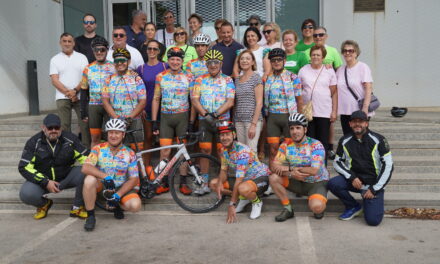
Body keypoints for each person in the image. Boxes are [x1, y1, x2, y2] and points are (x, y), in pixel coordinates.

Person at [327, 110, 393, 226]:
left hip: (373, 184)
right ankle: (354, 206)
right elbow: (337, 162)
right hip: (355, 181)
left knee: (373, 221)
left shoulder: (379, 140)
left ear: (366, 123)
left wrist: (374, 189)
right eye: (354, 121)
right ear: (350, 124)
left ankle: (371, 203)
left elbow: (388, 166)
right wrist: (351, 177)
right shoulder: (344, 140)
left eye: (361, 121)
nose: (357, 124)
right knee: (333, 183)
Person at [18, 114, 89, 220]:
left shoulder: (71, 139)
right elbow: (24, 167)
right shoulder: (33, 142)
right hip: (43, 181)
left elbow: (88, 159)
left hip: (66, 178)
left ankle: (77, 207)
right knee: (26, 194)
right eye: (50, 128)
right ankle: (43, 205)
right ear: (43, 128)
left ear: (61, 128)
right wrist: (45, 182)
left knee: (87, 172)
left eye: (57, 128)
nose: (53, 130)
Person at [82, 119, 142, 231]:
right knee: (89, 179)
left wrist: (118, 195)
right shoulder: (98, 148)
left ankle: (116, 204)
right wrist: (105, 176)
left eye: (117, 132)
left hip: (120, 187)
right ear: (107, 133)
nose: (113, 136)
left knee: (135, 206)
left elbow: (134, 179)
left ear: (123, 134)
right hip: (103, 186)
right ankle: (90, 216)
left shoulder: (130, 153)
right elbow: (86, 167)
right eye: (111, 132)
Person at [269, 113, 329, 221]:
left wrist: (294, 170)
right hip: (295, 180)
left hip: (316, 183)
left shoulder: (315, 145)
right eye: (292, 128)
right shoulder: (285, 145)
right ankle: (288, 209)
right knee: (273, 177)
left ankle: (318, 202)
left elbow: (314, 170)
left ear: (305, 129)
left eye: (298, 128)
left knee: (317, 208)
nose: (295, 131)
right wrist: (291, 172)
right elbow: (274, 166)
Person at [191, 50, 235, 194]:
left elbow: (230, 101)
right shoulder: (199, 79)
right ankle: (203, 182)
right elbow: (195, 99)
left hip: (222, 120)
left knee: (222, 151)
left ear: (221, 64)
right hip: (205, 120)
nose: (213, 65)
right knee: (205, 150)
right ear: (206, 64)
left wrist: (215, 114)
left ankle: (223, 181)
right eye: (210, 63)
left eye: (216, 62)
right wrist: (205, 114)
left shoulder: (228, 80)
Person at [152, 47, 193, 195]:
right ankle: (164, 182)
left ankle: (183, 182)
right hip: (165, 119)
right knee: (165, 152)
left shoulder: (189, 76)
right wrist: (154, 121)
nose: (175, 62)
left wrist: (191, 122)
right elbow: (156, 99)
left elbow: (193, 100)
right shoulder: (160, 76)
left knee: (182, 151)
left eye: (178, 59)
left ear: (182, 61)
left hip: (182, 117)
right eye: (172, 59)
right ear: (167, 60)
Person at [211, 121, 270, 223]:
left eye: (227, 134)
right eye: (222, 135)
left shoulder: (242, 151)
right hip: (244, 180)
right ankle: (244, 197)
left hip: (260, 178)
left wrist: (231, 204)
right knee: (213, 184)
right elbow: (223, 170)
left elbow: (239, 180)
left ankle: (257, 202)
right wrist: (220, 183)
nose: (224, 138)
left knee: (242, 188)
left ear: (234, 135)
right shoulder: (223, 150)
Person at [50, 32, 90, 146]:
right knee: (64, 125)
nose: (67, 44)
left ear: (73, 43)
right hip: (62, 97)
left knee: (84, 124)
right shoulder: (55, 59)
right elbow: (54, 79)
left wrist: (75, 91)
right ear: (60, 43)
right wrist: (69, 93)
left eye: (69, 41)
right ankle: (67, 150)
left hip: (80, 96)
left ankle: (86, 150)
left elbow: (85, 77)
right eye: (64, 41)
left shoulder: (82, 57)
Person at [264, 48, 303, 166]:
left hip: (289, 116)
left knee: (290, 149)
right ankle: (273, 176)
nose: (276, 62)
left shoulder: (293, 77)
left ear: (284, 60)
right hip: (272, 116)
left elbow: (299, 99)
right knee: (273, 149)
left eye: (279, 60)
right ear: (270, 62)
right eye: (273, 60)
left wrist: (299, 119)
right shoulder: (267, 78)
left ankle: (290, 177)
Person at [298, 44, 337, 159]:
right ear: (310, 56)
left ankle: (322, 169)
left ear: (323, 57)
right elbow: (299, 90)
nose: (315, 57)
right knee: (309, 141)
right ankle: (310, 169)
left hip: (324, 111)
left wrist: (334, 111)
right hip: (307, 112)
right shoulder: (303, 70)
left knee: (322, 142)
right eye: (313, 54)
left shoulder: (329, 71)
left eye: (318, 55)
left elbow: (333, 91)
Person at [102, 48, 147, 144]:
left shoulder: (137, 78)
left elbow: (142, 101)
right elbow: (105, 101)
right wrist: (116, 118)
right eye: (117, 61)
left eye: (123, 61)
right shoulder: (108, 79)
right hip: (115, 121)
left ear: (129, 61)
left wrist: (130, 117)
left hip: (134, 119)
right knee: (118, 149)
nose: (120, 63)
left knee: (137, 150)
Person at [137, 40, 169, 166]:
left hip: (165, 108)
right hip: (147, 108)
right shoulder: (141, 69)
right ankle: (147, 167)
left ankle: (165, 169)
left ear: (159, 51)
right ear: (146, 50)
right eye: (149, 49)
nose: (152, 51)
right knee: (148, 138)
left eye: (155, 49)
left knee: (165, 140)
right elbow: (137, 89)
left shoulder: (165, 66)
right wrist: (141, 107)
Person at [80, 36, 115, 147]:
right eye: (96, 50)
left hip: (110, 105)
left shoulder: (113, 67)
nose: (99, 52)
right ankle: (94, 163)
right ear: (93, 51)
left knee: (112, 136)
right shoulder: (88, 68)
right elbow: (84, 90)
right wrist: (83, 111)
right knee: (95, 138)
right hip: (94, 106)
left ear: (107, 50)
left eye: (102, 50)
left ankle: (110, 163)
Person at [336, 40, 374, 135]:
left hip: (359, 110)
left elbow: (368, 88)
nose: (347, 53)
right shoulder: (340, 70)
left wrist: (365, 107)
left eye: (351, 51)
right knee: (348, 137)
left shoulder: (363, 67)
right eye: (345, 51)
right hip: (344, 111)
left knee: (361, 136)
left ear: (356, 53)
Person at [234, 50, 263, 152]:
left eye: (247, 58)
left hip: (252, 121)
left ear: (253, 62)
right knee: (241, 152)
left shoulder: (256, 78)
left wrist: (253, 125)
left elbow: (259, 103)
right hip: (239, 121)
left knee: (251, 152)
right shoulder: (237, 79)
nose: (244, 61)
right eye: (242, 59)